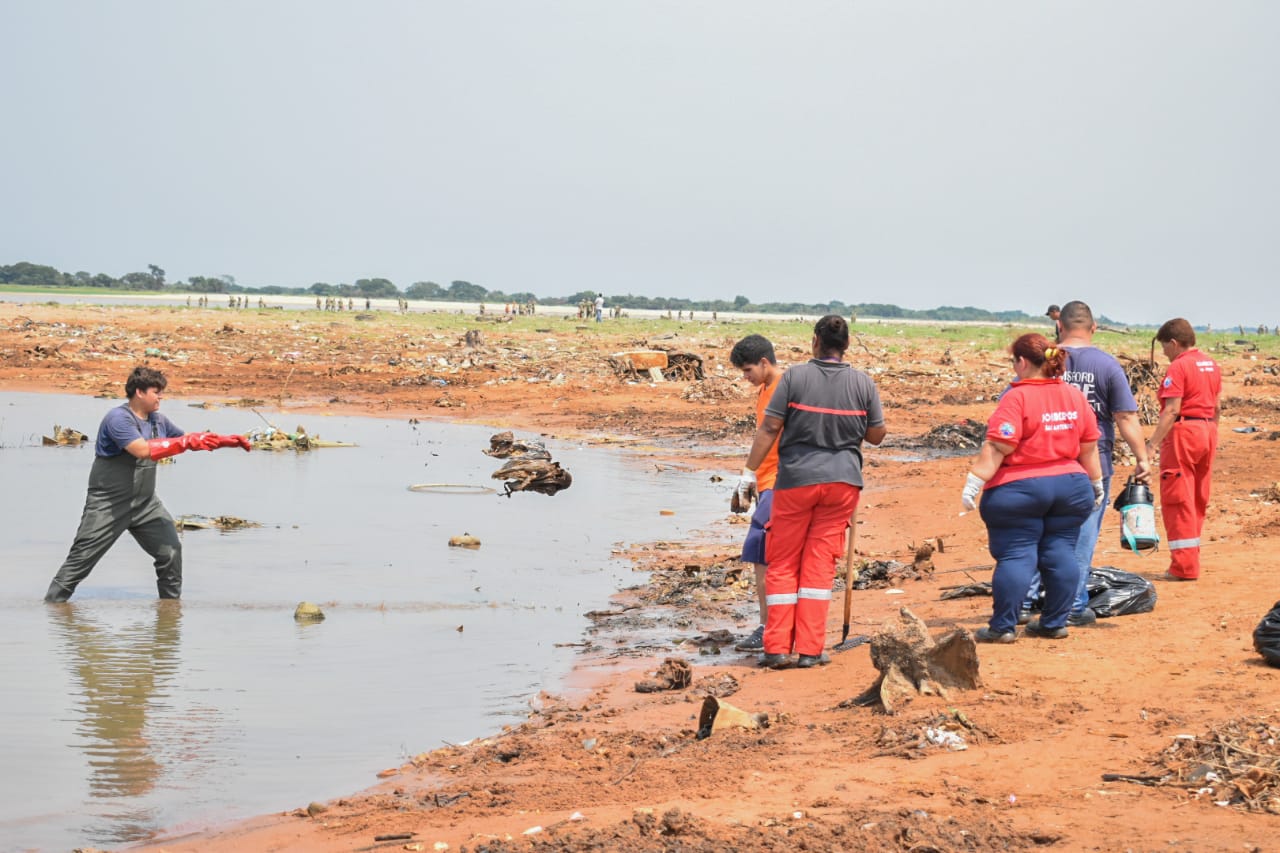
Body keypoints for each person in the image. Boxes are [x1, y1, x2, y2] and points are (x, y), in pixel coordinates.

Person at [736, 315, 886, 668]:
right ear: (846, 345)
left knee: (784, 560)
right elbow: (877, 435)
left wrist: (748, 474)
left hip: (796, 482)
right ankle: (810, 649)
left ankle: (776, 648)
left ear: (815, 342)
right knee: (820, 564)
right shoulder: (863, 383)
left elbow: (771, 427)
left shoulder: (795, 378)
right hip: (843, 485)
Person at [44, 367, 251, 602]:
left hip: (146, 505)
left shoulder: (157, 420)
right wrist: (186, 442)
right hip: (108, 506)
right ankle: (52, 607)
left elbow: (184, 440)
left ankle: (170, 612)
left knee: (171, 552)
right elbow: (142, 450)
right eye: (156, 392)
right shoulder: (118, 419)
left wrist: (225, 441)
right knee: (80, 561)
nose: (161, 397)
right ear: (139, 392)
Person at [962, 334, 1102, 642]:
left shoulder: (1016, 397)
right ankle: (1054, 623)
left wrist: (974, 482)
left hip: (1020, 490)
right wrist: (1096, 482)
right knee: (1061, 550)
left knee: (1016, 553)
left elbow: (999, 446)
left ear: (1023, 362)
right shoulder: (1074, 395)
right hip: (1071, 487)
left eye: (1014, 361)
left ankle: (1002, 628)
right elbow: (1089, 446)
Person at [1020, 301, 1152, 626]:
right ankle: (1073, 606)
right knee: (1081, 535)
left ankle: (1025, 603)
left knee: (1036, 533)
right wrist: (1143, 457)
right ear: (1093, 329)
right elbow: (1125, 416)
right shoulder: (1107, 365)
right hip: (1093, 466)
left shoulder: (1042, 361)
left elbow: (1016, 404)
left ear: (1060, 327)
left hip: (1042, 463)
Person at [1145, 318, 1222, 581]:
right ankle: (1190, 560)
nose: (1165, 353)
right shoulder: (1210, 364)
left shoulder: (1179, 367)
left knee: (1178, 498)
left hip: (1184, 434)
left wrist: (1152, 444)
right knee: (1198, 496)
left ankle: (1183, 567)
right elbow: (1217, 405)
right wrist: (1211, 432)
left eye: (1165, 347)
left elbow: (1172, 409)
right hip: (1207, 430)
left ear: (1174, 343)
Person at [728, 334, 784, 653]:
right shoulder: (764, 390)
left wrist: (750, 475)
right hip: (767, 482)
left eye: (748, 370)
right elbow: (763, 438)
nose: (745, 377)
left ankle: (768, 628)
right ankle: (774, 624)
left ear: (765, 363)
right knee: (765, 555)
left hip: (782, 482)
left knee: (762, 553)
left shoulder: (784, 389)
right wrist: (750, 480)